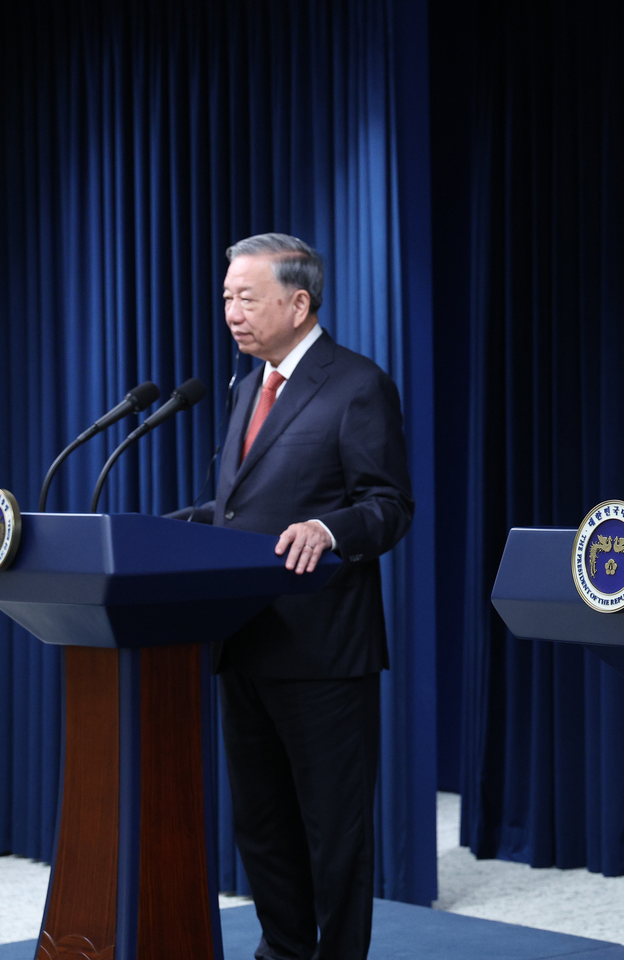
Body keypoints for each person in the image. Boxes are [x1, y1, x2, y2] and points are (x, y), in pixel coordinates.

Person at [177, 233, 413, 960]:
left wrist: (328, 528)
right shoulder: (247, 387)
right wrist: (171, 527)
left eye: (246, 298)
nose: (231, 313)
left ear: (298, 302)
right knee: (261, 827)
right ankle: (282, 951)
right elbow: (245, 508)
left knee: (334, 833)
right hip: (244, 640)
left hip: (322, 651)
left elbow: (389, 506)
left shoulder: (357, 384)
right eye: (227, 298)